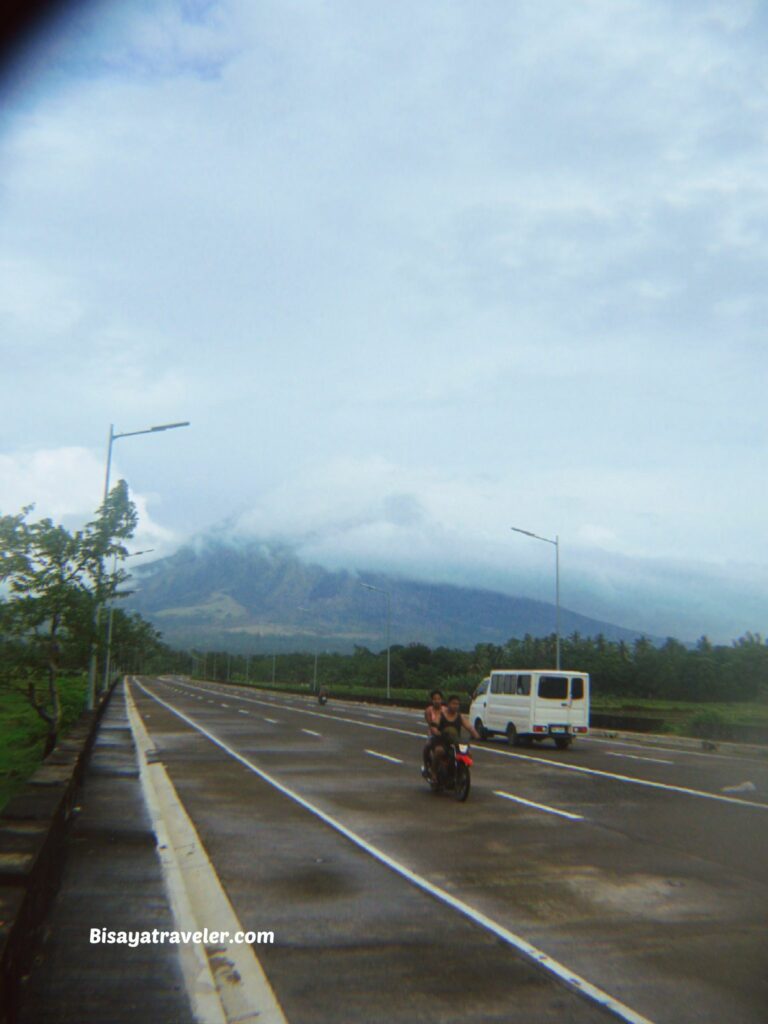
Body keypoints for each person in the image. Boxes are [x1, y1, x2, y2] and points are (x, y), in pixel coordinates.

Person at [431, 694, 479, 777]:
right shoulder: (441, 715)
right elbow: (434, 725)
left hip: (455, 742)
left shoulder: (460, 717)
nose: (455, 706)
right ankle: (433, 772)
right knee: (439, 751)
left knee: (468, 754)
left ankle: (461, 771)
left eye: (457, 704)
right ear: (448, 704)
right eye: (453, 703)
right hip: (442, 741)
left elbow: (469, 727)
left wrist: (476, 735)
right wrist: (435, 731)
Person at [422, 689, 445, 780]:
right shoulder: (428, 711)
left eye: (439, 699)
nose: (437, 701)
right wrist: (436, 731)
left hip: (445, 734)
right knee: (427, 746)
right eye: (435, 699)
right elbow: (430, 724)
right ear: (432, 700)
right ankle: (428, 768)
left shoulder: (445, 710)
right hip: (433, 735)